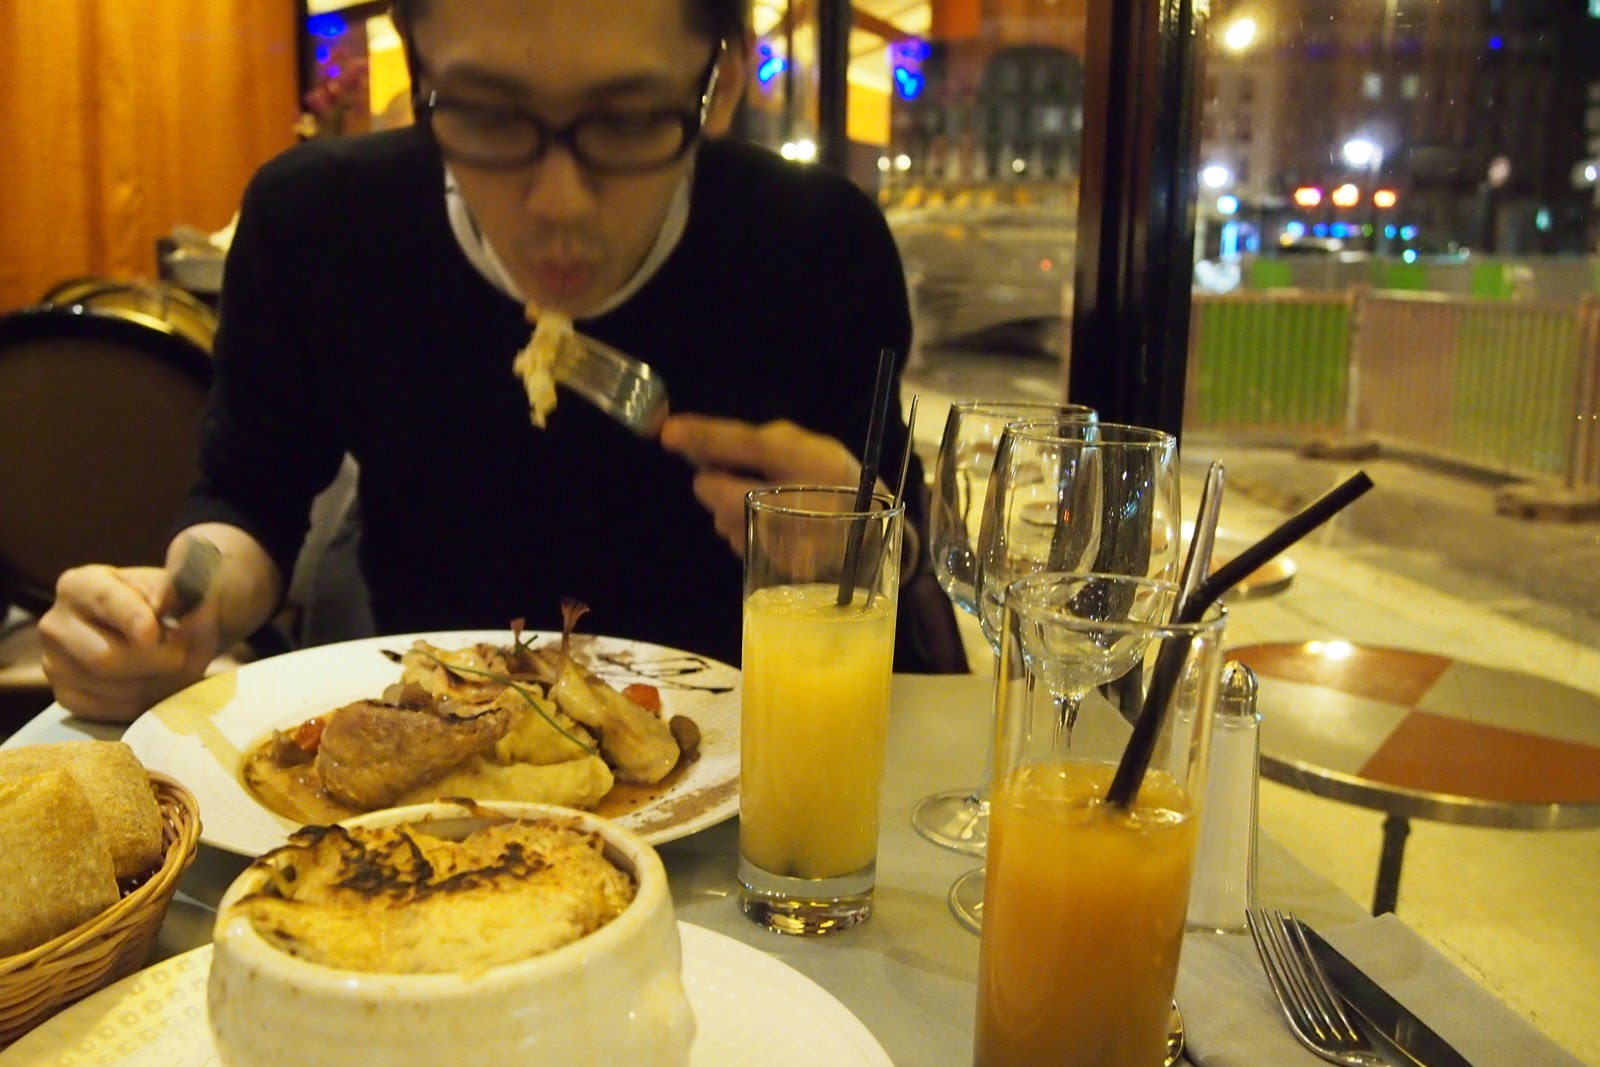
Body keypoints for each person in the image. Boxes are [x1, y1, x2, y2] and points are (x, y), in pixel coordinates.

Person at [39, 0, 965, 723]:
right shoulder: (320, 227)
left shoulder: (819, 248)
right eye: (485, 113)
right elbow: (248, 500)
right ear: (418, 69)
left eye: (627, 120)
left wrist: (872, 545)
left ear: (718, 85)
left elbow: (903, 584)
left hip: (750, 779)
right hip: (426, 773)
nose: (558, 203)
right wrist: (181, 606)